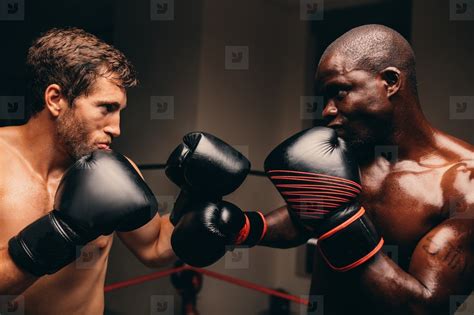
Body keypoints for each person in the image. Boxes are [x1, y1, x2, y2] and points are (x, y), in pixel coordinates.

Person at [168, 25, 474, 314]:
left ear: (390, 82)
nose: (327, 110)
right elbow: (310, 216)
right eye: (324, 97)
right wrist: (245, 228)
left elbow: (421, 307)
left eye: (340, 92)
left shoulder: (462, 182)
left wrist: (340, 223)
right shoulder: (354, 149)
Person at [0, 28, 175, 314]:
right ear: (56, 99)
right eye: (106, 108)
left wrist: (194, 203)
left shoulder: (115, 172)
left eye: (120, 111)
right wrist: (61, 233)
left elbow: (155, 248)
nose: (116, 128)